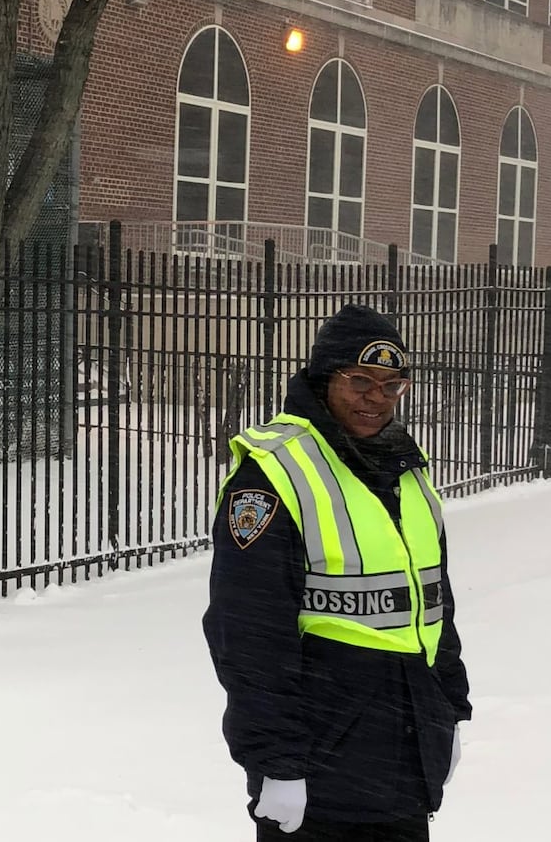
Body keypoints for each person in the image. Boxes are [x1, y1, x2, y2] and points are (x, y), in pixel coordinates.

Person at [202, 304, 471, 842]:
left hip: (405, 757)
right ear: (325, 377)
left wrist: (449, 709)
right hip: (318, 763)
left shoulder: (404, 468)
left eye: (393, 384)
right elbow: (249, 633)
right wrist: (277, 762)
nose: (377, 399)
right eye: (360, 382)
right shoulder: (277, 471)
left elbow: (432, 604)